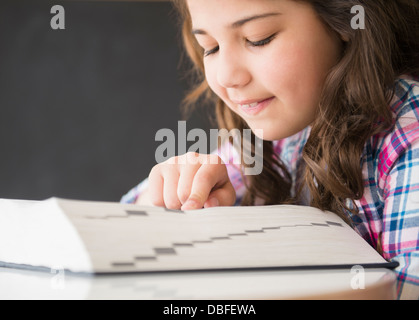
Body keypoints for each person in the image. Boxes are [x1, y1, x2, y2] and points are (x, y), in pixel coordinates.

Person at [121, 0, 419, 299]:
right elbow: (126, 217)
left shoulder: (408, 131)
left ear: (342, 19)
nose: (227, 77)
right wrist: (176, 188)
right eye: (210, 47)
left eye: (258, 38)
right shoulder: (270, 141)